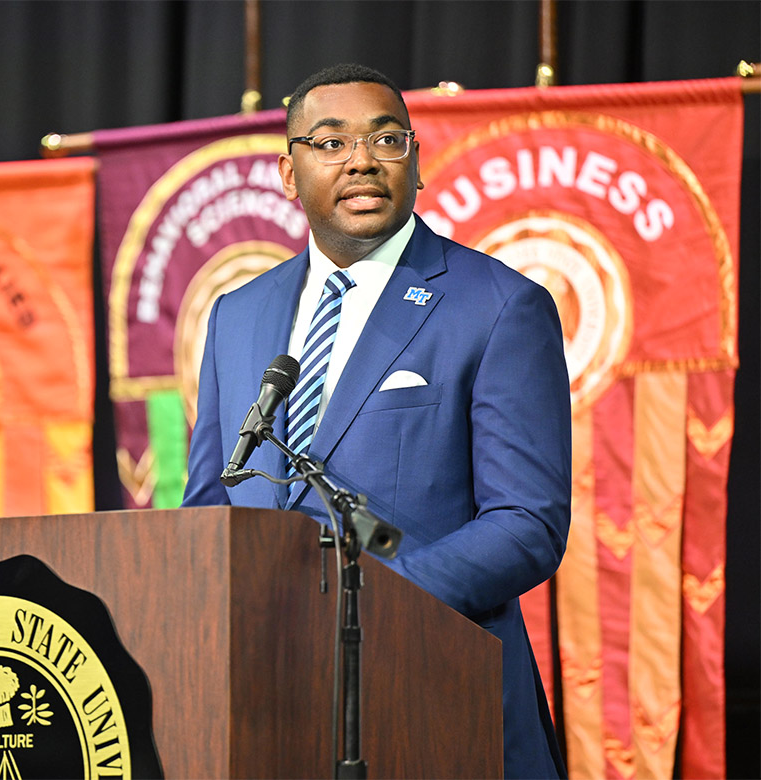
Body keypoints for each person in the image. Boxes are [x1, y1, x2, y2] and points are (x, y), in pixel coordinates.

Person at [183, 63, 570, 779]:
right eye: (330, 143)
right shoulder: (236, 317)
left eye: (387, 139)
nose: (361, 159)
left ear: (416, 163)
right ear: (287, 172)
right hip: (265, 700)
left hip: (434, 689)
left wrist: (372, 613)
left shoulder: (497, 305)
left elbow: (528, 520)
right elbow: (211, 504)